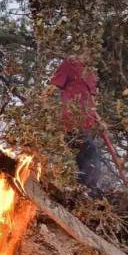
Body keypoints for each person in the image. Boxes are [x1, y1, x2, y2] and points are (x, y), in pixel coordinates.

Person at [50, 53, 102, 193]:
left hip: (88, 125)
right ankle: (87, 191)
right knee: (92, 158)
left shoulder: (91, 73)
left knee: (84, 161)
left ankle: (82, 193)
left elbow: (91, 101)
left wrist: (100, 120)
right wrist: (44, 110)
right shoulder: (70, 63)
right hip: (71, 122)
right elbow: (53, 88)